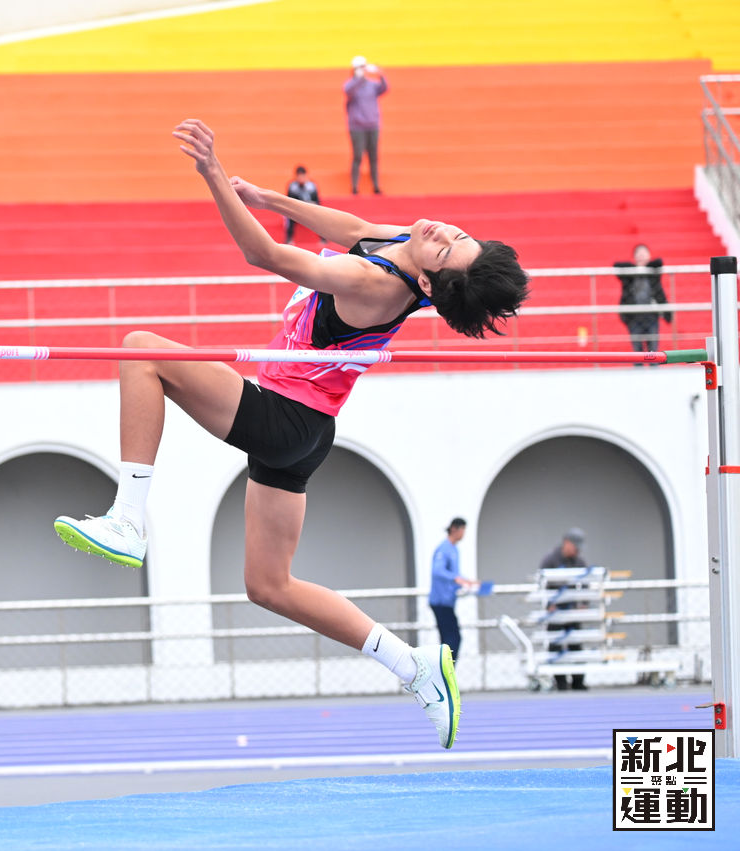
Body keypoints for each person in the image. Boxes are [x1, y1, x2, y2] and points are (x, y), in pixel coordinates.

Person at [54, 118, 529, 750]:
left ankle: (128, 520)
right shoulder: (409, 242)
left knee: (141, 351)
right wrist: (267, 197)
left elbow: (267, 257)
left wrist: (213, 174)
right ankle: (413, 666)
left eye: (446, 250)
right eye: (455, 234)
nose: (442, 233)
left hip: (285, 417)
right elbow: (351, 228)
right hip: (310, 430)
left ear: (427, 283)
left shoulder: (375, 284)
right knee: (269, 586)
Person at [539, 527, 588, 691]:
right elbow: (543, 584)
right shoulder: (551, 560)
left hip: (572, 611)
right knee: (555, 645)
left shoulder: (579, 562)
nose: (577, 550)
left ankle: (578, 681)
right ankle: (560, 682)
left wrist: (583, 603)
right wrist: (549, 605)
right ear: (566, 543)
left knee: (576, 644)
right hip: (556, 612)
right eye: (575, 546)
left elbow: (586, 584)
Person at [430, 518, 478, 661]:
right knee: (452, 638)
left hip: (448, 602)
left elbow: (455, 574)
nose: (463, 534)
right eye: (462, 530)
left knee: (450, 639)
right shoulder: (444, 548)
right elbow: (437, 571)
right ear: (454, 529)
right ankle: (446, 669)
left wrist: (467, 581)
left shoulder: (454, 549)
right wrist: (456, 579)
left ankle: (445, 669)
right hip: (441, 601)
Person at [613, 244, 670, 359]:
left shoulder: (653, 272)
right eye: (639, 254)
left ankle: (653, 368)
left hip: (652, 316)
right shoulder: (629, 274)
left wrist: (644, 268)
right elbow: (616, 265)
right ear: (634, 257)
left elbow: (659, 262)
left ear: (649, 256)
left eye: (644, 254)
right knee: (637, 352)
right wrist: (636, 269)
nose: (641, 257)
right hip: (634, 317)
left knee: (653, 352)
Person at [344, 56, 387, 195]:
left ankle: (376, 185)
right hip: (357, 127)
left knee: (373, 157)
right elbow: (348, 91)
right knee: (357, 156)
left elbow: (384, 88)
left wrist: (381, 74)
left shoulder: (371, 85)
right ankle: (354, 186)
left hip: (373, 125)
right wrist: (359, 79)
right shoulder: (351, 85)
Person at [284, 165, 321, 245]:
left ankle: (323, 239)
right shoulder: (292, 186)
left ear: (306, 176)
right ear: (296, 176)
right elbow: (289, 200)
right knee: (288, 216)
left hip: (310, 209)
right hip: (296, 210)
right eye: (299, 176)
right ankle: (289, 239)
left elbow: (317, 201)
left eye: (303, 176)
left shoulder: (312, 186)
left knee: (320, 216)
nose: (301, 178)